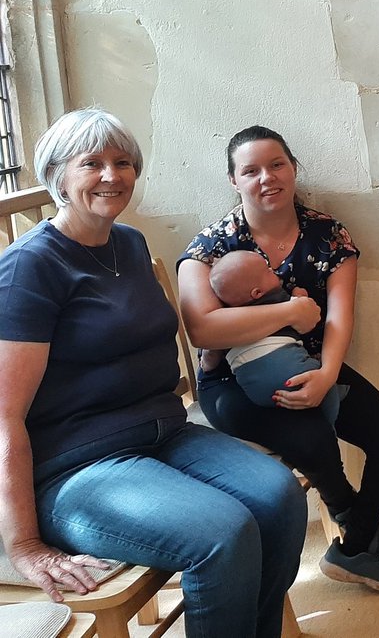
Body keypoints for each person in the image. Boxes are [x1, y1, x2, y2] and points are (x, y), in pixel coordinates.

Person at [0, 109, 306, 637]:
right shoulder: (30, 267)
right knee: (222, 534)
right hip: (76, 467)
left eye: (123, 162)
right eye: (91, 163)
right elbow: (5, 417)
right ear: (57, 174)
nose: (111, 176)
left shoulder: (129, 243)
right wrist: (24, 544)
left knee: (278, 497)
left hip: (163, 431)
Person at [177, 125, 379, 592]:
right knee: (310, 435)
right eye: (251, 170)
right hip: (229, 382)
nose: (266, 178)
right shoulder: (211, 245)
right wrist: (289, 310)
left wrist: (327, 374)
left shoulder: (329, 234)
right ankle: (349, 511)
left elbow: (339, 320)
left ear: (292, 168)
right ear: (234, 181)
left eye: (276, 164)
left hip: (308, 362)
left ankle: (351, 549)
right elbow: (203, 328)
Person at [208, 249, 342, 425]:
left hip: (254, 392)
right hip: (293, 375)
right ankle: (330, 422)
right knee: (326, 388)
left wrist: (207, 363)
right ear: (257, 293)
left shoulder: (226, 319)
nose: (273, 270)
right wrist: (300, 295)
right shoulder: (276, 298)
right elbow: (304, 314)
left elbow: (211, 355)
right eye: (267, 270)